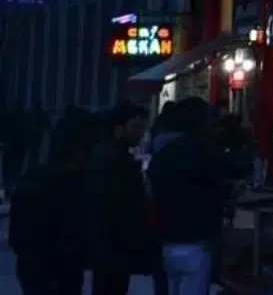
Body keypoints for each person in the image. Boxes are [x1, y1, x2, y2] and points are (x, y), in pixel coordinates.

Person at [148, 97, 235, 295]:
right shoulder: (202, 152)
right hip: (197, 238)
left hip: (166, 236)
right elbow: (232, 166)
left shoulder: (163, 153)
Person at [10, 113, 94, 295]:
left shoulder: (32, 180)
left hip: (37, 266)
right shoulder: (72, 186)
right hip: (56, 267)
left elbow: (17, 234)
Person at [85, 103, 154, 295]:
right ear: (119, 128)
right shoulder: (111, 159)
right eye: (135, 127)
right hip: (112, 243)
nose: (140, 133)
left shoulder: (114, 156)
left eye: (142, 128)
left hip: (113, 244)